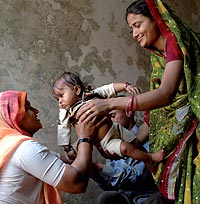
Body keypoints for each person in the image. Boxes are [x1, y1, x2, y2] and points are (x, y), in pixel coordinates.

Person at [76, 0, 200, 203]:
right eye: (131, 29)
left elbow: (166, 95)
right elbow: (157, 114)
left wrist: (111, 103)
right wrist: (129, 145)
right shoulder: (157, 58)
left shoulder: (175, 43)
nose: (134, 34)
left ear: (156, 20)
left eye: (138, 25)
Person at [0, 90, 100, 204]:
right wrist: (85, 138)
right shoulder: (23, 148)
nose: (36, 111)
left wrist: (87, 134)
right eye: (28, 108)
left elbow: (68, 160)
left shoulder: (8, 145)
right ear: (14, 117)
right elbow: (76, 183)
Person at [52, 71, 164, 166]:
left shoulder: (91, 94)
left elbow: (109, 89)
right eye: (57, 99)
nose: (60, 102)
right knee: (126, 148)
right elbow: (62, 129)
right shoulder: (67, 113)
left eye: (61, 95)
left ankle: (150, 164)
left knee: (136, 144)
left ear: (77, 90)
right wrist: (67, 149)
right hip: (105, 141)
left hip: (116, 128)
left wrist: (125, 86)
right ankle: (150, 158)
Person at [91, 108, 168, 204]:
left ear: (128, 112)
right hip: (123, 198)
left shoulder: (148, 138)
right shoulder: (111, 145)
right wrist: (98, 174)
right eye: (107, 118)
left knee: (157, 200)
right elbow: (111, 186)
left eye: (113, 116)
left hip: (145, 196)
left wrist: (106, 170)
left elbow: (138, 177)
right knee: (106, 197)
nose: (110, 122)